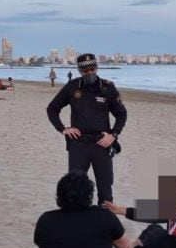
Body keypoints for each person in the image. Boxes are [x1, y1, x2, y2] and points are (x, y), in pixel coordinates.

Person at [46, 53, 127, 206]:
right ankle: (77, 224)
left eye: (92, 69)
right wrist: (63, 129)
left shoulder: (108, 87)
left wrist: (113, 135)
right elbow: (52, 109)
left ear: (97, 68)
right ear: (79, 71)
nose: (90, 73)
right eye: (85, 71)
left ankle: (104, 224)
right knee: (74, 189)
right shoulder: (72, 87)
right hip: (78, 144)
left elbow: (121, 114)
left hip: (101, 144)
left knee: (105, 189)